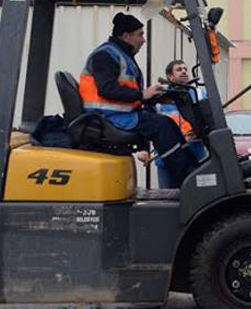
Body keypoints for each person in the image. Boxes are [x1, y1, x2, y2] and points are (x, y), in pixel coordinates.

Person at [80, 13, 197, 188]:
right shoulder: (105, 55)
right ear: (126, 36)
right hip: (109, 117)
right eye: (140, 35)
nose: (143, 40)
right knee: (162, 127)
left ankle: (194, 172)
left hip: (120, 113)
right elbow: (107, 89)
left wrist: (158, 96)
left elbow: (129, 92)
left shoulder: (120, 54)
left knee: (166, 123)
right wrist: (142, 95)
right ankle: (190, 180)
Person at [137, 59, 208, 188]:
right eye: (179, 70)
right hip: (167, 161)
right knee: (168, 198)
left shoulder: (200, 94)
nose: (184, 72)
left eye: (185, 69)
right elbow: (145, 125)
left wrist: (200, 132)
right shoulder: (157, 98)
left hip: (196, 157)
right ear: (169, 76)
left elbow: (209, 121)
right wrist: (143, 149)